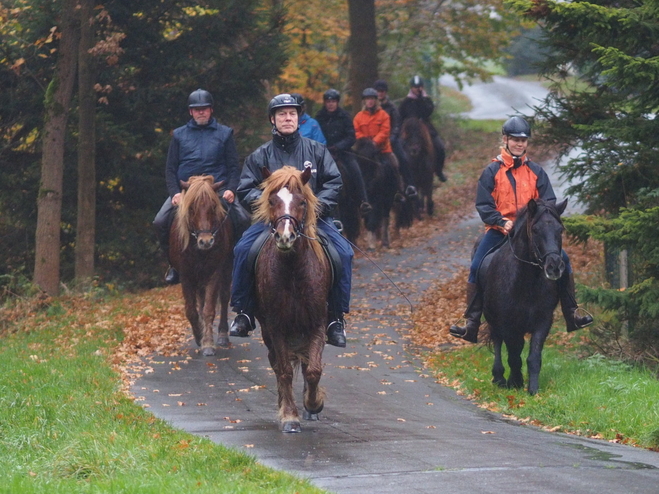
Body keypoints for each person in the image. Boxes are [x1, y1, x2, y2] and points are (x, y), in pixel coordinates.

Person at [449, 116, 593, 343]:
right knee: (477, 264)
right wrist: (500, 220)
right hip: (500, 231)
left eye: (523, 140)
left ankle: (572, 313)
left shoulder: (536, 171)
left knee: (562, 259)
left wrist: (540, 221)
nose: (519, 144)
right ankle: (472, 322)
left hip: (530, 234)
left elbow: (548, 203)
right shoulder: (491, 171)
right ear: (505, 140)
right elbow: (483, 204)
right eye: (515, 140)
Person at [229, 93, 354, 348]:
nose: (288, 118)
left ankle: (335, 319)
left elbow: (334, 182)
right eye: (282, 114)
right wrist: (270, 207)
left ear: (299, 118)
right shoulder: (260, 155)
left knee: (345, 253)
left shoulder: (316, 150)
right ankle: (243, 312)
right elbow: (245, 188)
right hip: (273, 222)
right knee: (242, 249)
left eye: (292, 113)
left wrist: (316, 207)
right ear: (273, 120)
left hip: (313, 220)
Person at [153, 88, 245, 284]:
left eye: (204, 108)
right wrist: (175, 193)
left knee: (243, 219)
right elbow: (170, 169)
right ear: (190, 112)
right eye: (197, 109)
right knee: (160, 221)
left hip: (216, 190)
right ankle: (173, 264)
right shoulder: (178, 135)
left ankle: (237, 261)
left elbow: (233, 167)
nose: (201, 112)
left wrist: (231, 188)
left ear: (211, 110)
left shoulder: (225, 133)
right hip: (187, 192)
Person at [315, 88, 372, 216]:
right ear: (325, 102)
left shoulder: (344, 116)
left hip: (343, 152)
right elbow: (315, 135)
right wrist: (323, 148)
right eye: (328, 101)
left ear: (337, 102)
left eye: (333, 101)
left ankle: (363, 201)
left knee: (355, 170)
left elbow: (351, 136)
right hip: (324, 153)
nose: (330, 104)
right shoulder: (319, 117)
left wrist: (338, 147)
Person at [373, 79, 417, 198]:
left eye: (382, 91)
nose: (380, 93)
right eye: (378, 91)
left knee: (402, 158)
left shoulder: (392, 108)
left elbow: (397, 125)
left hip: (390, 140)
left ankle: (409, 185)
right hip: (373, 142)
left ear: (385, 92)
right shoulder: (369, 108)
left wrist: (391, 138)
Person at [398, 75, 447, 182]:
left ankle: (438, 170)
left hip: (424, 128)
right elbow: (400, 116)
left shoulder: (426, 100)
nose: (418, 89)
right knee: (399, 147)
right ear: (411, 88)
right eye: (416, 87)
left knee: (440, 146)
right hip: (410, 130)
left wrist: (422, 100)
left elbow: (429, 111)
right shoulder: (406, 102)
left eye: (420, 87)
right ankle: (401, 173)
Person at [353, 87, 403, 192]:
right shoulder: (358, 116)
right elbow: (356, 131)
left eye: (372, 99)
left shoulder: (383, 115)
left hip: (382, 150)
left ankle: (399, 191)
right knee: (354, 167)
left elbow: (385, 131)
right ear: (364, 101)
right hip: (364, 151)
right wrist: (364, 141)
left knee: (394, 165)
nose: (370, 101)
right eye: (367, 99)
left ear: (376, 100)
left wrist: (375, 142)